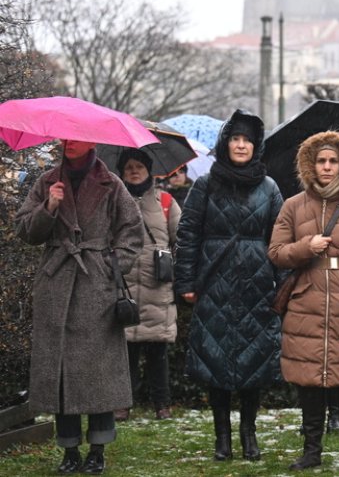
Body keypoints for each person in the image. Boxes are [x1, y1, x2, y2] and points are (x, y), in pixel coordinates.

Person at [15, 139, 143, 475]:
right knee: (61, 373)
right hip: (56, 285)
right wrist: (49, 206)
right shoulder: (46, 182)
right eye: (65, 137)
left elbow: (132, 231)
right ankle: (69, 451)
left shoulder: (111, 184)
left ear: (91, 140)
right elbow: (26, 231)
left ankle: (97, 450)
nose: (70, 142)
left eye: (76, 137)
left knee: (97, 374)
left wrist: (111, 265)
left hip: (96, 288)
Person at [269, 130, 339, 472]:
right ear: (310, 164)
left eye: (334, 161)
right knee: (309, 382)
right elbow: (276, 252)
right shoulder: (293, 206)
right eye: (321, 160)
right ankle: (311, 452)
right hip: (307, 303)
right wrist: (307, 247)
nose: (327, 167)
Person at [174, 109, 283, 462]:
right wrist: (186, 281)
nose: (240, 145)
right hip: (214, 284)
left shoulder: (269, 188)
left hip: (258, 285)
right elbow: (187, 235)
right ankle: (222, 436)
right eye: (235, 138)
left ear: (256, 146)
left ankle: (249, 432)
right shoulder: (205, 185)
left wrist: (281, 286)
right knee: (215, 363)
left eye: (247, 140)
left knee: (257, 361)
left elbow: (280, 239)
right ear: (225, 143)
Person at [113, 149, 181, 422]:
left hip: (158, 287)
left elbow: (182, 239)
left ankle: (162, 404)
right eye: (128, 166)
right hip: (124, 285)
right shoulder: (114, 201)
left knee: (158, 352)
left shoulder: (166, 201)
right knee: (125, 352)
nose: (133, 170)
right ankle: (122, 403)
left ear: (149, 169)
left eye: (139, 165)